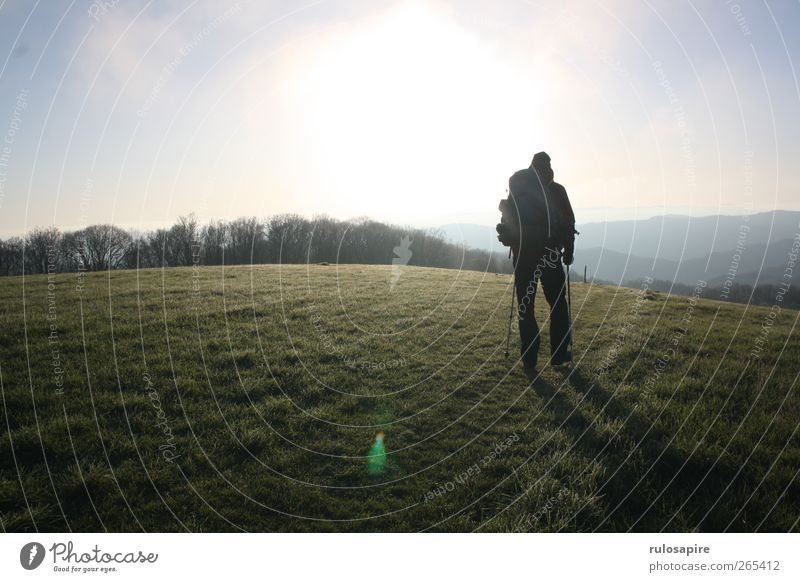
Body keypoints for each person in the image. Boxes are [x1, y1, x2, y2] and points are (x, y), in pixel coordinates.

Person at [498, 152, 576, 379]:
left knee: (526, 306)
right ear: (549, 166)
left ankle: (529, 360)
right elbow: (569, 223)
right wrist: (568, 252)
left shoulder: (517, 184)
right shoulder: (557, 190)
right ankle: (559, 354)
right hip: (550, 255)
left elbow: (508, 217)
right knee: (558, 303)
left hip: (524, 255)